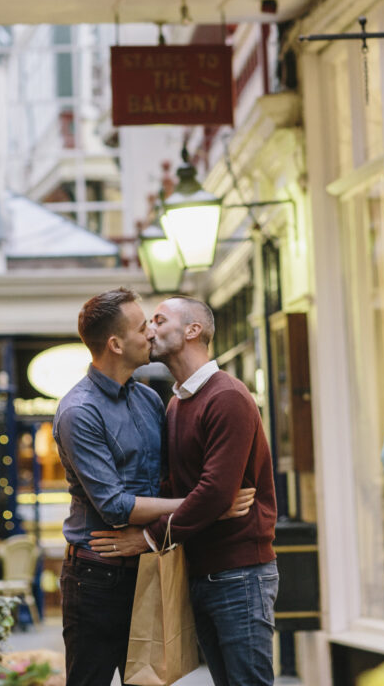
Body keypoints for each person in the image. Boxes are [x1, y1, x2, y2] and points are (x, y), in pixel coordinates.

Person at [53, 288, 254, 686]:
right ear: (115, 343)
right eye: (143, 325)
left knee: (151, 681)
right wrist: (206, 505)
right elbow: (114, 505)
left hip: (150, 568)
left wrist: (202, 502)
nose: (150, 334)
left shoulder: (148, 399)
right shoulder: (80, 411)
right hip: (96, 575)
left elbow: (168, 478)